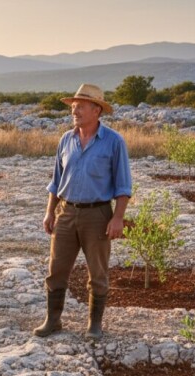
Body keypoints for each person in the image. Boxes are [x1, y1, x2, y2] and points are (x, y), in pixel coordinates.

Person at [33, 83, 132, 339]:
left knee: (97, 273)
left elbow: (123, 185)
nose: (74, 111)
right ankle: (52, 320)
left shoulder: (113, 142)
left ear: (97, 110)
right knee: (56, 271)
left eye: (80, 107)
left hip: (97, 215)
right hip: (66, 212)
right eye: (73, 107)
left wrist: (118, 217)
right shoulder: (66, 139)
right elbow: (56, 181)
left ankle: (94, 325)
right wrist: (49, 212)